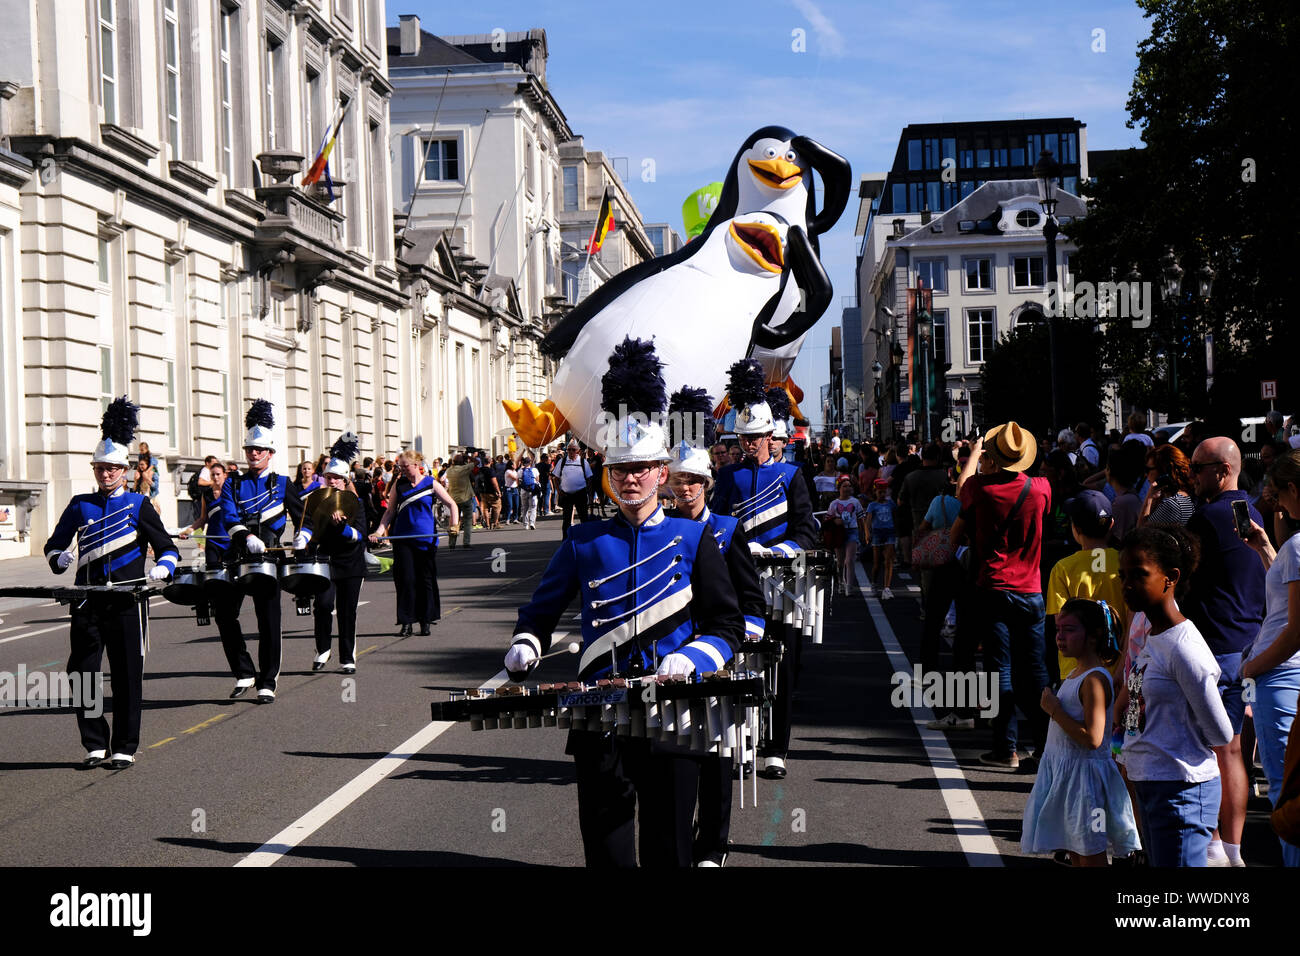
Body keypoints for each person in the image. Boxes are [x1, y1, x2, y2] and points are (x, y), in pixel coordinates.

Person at [502, 339, 742, 867]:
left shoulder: (693, 538)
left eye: (641, 469)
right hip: (599, 715)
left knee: (669, 847)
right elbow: (542, 610)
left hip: (674, 710)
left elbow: (726, 623)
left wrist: (696, 656)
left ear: (662, 472)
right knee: (606, 850)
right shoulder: (583, 541)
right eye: (620, 470)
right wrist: (526, 641)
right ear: (607, 476)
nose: (630, 479)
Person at [44, 397, 179, 770]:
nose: (106, 474)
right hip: (87, 602)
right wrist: (60, 558)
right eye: (100, 468)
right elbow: (54, 545)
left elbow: (167, 548)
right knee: (82, 674)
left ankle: (124, 745)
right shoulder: (79, 505)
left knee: (125, 674)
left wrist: (164, 567)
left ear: (124, 470)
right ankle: (94, 743)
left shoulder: (138, 505)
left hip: (126, 601)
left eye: (112, 469)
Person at [665, 385, 765, 867]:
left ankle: (714, 844)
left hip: (720, 651)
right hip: (677, 653)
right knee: (681, 750)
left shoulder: (726, 528)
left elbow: (749, 596)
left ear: (706, 484)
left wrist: (749, 627)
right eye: (678, 480)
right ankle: (681, 841)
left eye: (693, 481)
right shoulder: (662, 531)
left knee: (718, 752)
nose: (685, 489)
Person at [710, 359, 818, 780]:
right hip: (741, 585)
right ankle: (745, 741)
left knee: (783, 666)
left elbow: (807, 531)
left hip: (785, 584)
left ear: (771, 437)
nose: (751, 443)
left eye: (757, 437)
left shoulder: (792, 475)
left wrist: (776, 552)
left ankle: (777, 748)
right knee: (741, 664)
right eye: (744, 437)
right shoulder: (730, 476)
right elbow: (714, 525)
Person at [1119, 526, 1234, 866]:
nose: (1126, 584)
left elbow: (1221, 733)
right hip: (1152, 784)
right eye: (1122, 575)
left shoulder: (1184, 649)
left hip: (1181, 791)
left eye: (1138, 575)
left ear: (1170, 577)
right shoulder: (1155, 636)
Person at [948, 423, 1052, 772]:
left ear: (994, 456)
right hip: (1032, 589)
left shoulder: (981, 488)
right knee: (1036, 671)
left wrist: (976, 451)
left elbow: (961, 487)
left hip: (993, 587)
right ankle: (1044, 746)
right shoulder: (1040, 489)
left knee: (1000, 670)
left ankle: (1005, 747)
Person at [1184, 436, 1266, 866]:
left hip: (1216, 650)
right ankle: (1232, 850)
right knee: (1236, 750)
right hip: (1251, 649)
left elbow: (1181, 579)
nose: (1192, 475)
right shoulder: (1257, 512)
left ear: (1222, 471)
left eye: (1198, 467)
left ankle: (1215, 843)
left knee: (1211, 750)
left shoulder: (1207, 519)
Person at [1022, 599, 1142, 865]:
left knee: (1090, 854)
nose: (1060, 637)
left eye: (1070, 630)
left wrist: (1054, 710)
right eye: (1058, 630)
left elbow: (1093, 738)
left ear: (1093, 636)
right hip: (1070, 778)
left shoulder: (1095, 680)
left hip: (1085, 784)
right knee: (1076, 852)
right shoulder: (1078, 673)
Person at [1240, 449, 1300, 867]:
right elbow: (1287, 603)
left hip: (1279, 676)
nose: (1275, 504)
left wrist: (1252, 668)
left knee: (1285, 791)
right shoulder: (1292, 548)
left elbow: (1294, 630)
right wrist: (1264, 546)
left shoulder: (1297, 545)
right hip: (1282, 673)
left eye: (1278, 494)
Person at [213, 399, 290, 703]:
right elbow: (229, 516)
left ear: (270, 454)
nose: (253, 454)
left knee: (268, 621)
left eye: (259, 450)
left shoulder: (283, 483)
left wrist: (304, 536)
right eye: (249, 450)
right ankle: (244, 671)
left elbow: (305, 515)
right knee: (224, 615)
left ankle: (267, 680)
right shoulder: (233, 482)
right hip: (237, 555)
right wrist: (245, 536)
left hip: (269, 559)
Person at [295, 433, 370, 673]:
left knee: (347, 612)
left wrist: (344, 528)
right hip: (325, 561)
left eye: (338, 478)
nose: (334, 481)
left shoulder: (355, 503)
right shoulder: (316, 500)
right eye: (330, 477)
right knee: (323, 606)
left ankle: (347, 657)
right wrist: (302, 537)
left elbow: (360, 535)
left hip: (351, 563)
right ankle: (323, 650)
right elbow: (307, 523)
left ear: (345, 479)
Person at [1044, 491, 1128, 690]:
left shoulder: (1063, 568)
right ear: (1111, 525)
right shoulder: (1125, 563)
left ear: (1075, 528)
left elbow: (1060, 620)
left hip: (1076, 669)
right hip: (1119, 666)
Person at [371, 449, 458, 637]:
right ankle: (406, 622)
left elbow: (452, 504)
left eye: (405, 467)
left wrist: (454, 526)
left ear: (416, 465)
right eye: (400, 467)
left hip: (425, 540)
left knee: (425, 580)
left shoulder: (430, 483)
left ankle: (425, 621)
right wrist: (378, 531)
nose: (402, 470)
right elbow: (389, 511)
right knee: (406, 580)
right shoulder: (399, 484)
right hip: (402, 539)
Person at [179, 461, 229, 568]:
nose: (215, 477)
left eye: (218, 474)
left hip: (229, 539)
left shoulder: (232, 492)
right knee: (212, 571)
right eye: (212, 475)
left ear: (225, 475)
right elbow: (203, 518)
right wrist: (189, 531)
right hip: (212, 539)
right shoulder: (206, 494)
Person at [1138, 444, 1196, 527]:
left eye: (1148, 470)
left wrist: (1149, 498)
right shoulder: (1185, 496)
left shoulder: (1172, 504)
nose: (1145, 474)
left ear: (1165, 471)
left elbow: (1141, 532)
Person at [827, 476, 866, 595]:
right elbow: (828, 519)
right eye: (844, 486)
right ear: (839, 488)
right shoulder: (834, 504)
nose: (847, 488)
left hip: (852, 531)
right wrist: (835, 520)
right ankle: (840, 582)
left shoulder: (855, 502)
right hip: (839, 533)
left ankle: (849, 586)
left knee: (849, 560)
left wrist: (864, 532)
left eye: (849, 486)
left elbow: (861, 518)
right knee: (840, 562)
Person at [864, 479, 897, 599]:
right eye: (880, 492)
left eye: (884, 492)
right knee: (877, 563)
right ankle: (874, 583)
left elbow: (895, 516)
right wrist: (867, 533)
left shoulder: (890, 504)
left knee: (888, 561)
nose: (882, 494)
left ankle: (887, 588)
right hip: (877, 534)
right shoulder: (872, 505)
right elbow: (867, 521)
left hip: (889, 532)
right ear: (875, 492)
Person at [555, 440, 592, 536]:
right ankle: (565, 541)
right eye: (569, 450)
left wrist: (587, 491)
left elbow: (589, 478)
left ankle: (586, 539)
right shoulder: (562, 461)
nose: (571, 452)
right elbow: (556, 477)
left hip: (580, 493)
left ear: (578, 451)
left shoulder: (584, 462)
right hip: (566, 494)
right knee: (566, 520)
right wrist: (559, 491)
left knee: (584, 518)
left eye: (573, 450)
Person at [441, 453, 475, 548]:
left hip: (454, 500)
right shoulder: (464, 469)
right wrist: (468, 456)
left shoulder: (449, 470)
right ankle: (466, 542)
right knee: (467, 521)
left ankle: (452, 543)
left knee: (454, 521)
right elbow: (476, 462)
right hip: (466, 498)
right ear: (462, 462)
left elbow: (443, 480)